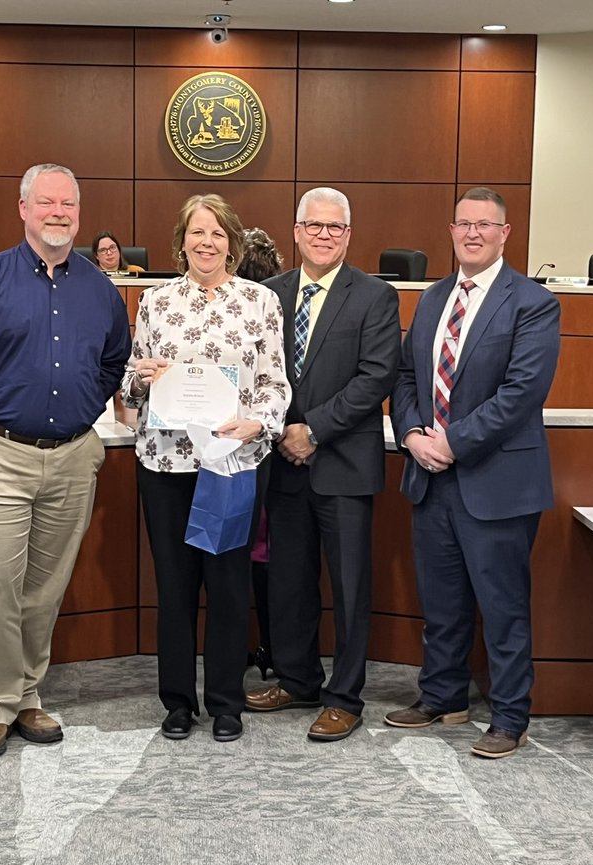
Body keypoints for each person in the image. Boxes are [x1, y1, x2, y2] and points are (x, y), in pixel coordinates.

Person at [0, 163, 131, 758]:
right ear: (23, 208)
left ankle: (26, 695)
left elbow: (114, 362)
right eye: (46, 202)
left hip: (71, 458)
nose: (58, 213)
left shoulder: (100, 289)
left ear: (79, 212)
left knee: (44, 590)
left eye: (68, 204)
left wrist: (82, 408)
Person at [386, 187, 560, 759]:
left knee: (503, 607)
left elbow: (522, 392)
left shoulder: (532, 302)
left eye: (485, 225)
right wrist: (413, 437)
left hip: (496, 481)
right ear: (452, 231)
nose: (473, 233)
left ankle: (510, 717)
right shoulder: (434, 298)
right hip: (430, 476)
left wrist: (452, 442)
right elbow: (406, 378)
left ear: (505, 234)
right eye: (464, 224)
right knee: (442, 603)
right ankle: (442, 697)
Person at [122, 194, 289, 744]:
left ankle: (225, 702)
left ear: (232, 243)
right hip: (165, 463)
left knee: (228, 585)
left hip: (231, 465)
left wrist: (259, 422)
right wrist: (141, 379)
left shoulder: (261, 302)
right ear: (182, 241)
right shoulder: (155, 300)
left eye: (218, 233)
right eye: (197, 232)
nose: (207, 242)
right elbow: (130, 383)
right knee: (174, 586)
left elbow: (275, 382)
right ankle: (177, 702)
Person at [244, 188, 401, 742]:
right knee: (288, 581)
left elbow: (376, 376)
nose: (324, 235)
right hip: (283, 465)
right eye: (314, 225)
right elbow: (257, 370)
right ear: (296, 231)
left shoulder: (376, 296)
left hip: (343, 465)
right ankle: (298, 679)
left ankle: (345, 697)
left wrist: (312, 430)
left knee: (350, 587)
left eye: (335, 227)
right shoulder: (268, 294)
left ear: (348, 235)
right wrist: (282, 431)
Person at [234, 226, 285, 677]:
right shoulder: (274, 300)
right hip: (269, 447)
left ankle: (261, 645)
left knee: (250, 551)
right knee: (263, 551)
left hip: (251, 445)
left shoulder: (260, 305)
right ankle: (269, 645)